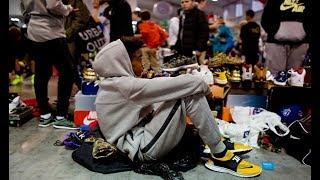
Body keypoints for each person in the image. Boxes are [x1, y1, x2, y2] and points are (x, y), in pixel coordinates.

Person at [92, 38, 262, 178]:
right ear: (121, 62)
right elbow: (192, 83)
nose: (141, 63)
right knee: (186, 93)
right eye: (137, 58)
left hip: (137, 141)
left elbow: (159, 85)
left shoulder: (113, 83)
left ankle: (216, 143)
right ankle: (219, 153)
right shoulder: (125, 86)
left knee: (179, 91)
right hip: (139, 149)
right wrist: (207, 89)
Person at [21, 0, 78, 129]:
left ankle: (45, 115)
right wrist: (67, 9)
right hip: (51, 31)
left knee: (41, 73)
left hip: (34, 31)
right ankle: (61, 116)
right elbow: (53, 5)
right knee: (68, 73)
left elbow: (23, 7)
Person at [261, 0, 311, 76]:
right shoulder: (273, 1)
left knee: (295, 77)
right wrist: (276, 32)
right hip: (275, 43)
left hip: (300, 44)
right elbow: (265, 19)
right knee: (274, 76)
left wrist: (305, 32)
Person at [173, 0, 209, 65]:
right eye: (182, 2)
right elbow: (181, 33)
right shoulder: (183, 15)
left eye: (187, 1)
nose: (184, 4)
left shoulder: (200, 14)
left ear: (193, 2)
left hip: (196, 51)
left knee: (198, 71)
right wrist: (176, 47)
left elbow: (204, 33)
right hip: (185, 50)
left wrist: (199, 49)